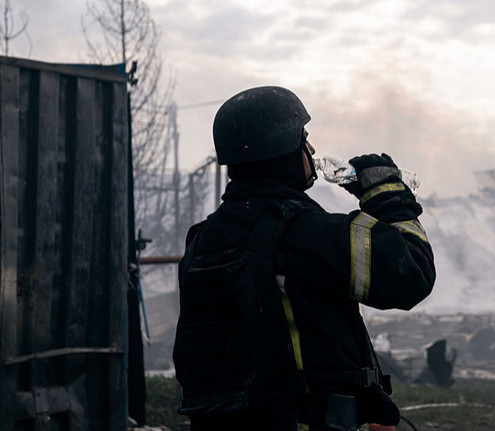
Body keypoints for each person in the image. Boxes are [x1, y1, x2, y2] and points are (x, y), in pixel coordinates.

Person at [172, 86, 436, 430]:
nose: (310, 149)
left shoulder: (203, 238)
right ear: (281, 148)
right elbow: (411, 274)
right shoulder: (307, 233)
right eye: (303, 138)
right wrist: (387, 195)